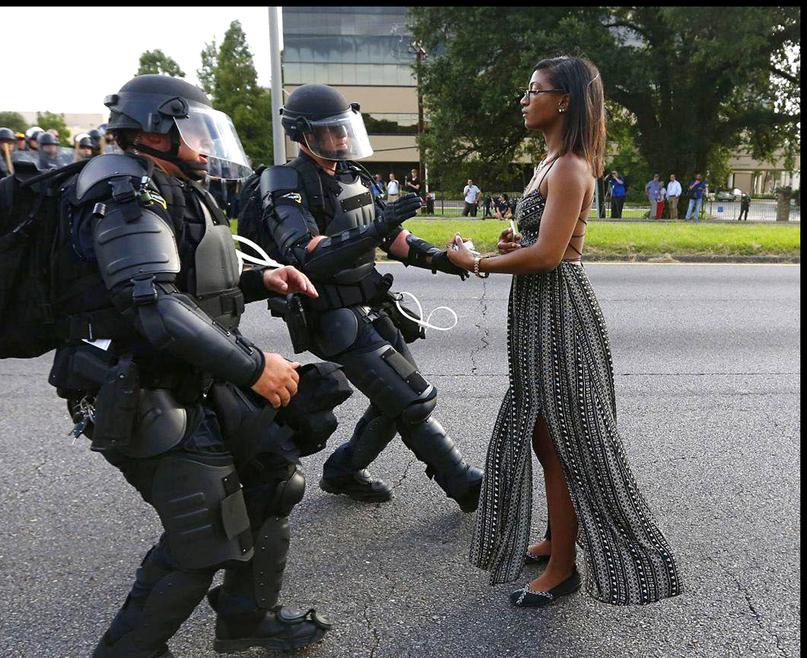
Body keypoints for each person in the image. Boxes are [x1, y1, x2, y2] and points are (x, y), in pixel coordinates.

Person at [59, 74, 336, 658]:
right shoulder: (122, 191)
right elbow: (154, 303)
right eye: (196, 131)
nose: (208, 147)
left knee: (274, 478)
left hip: (188, 375)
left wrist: (267, 277)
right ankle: (127, 656)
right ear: (158, 128)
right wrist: (252, 366)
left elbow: (191, 273)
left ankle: (246, 615)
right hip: (136, 387)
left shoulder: (169, 188)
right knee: (207, 526)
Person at [443, 55, 683, 607]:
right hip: (538, 311)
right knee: (542, 433)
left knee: (565, 439)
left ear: (565, 101)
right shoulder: (548, 164)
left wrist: (476, 261)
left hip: (560, 313)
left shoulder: (572, 166)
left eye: (535, 89)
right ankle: (558, 535)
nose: (525, 98)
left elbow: (551, 256)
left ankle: (564, 566)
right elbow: (539, 242)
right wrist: (511, 246)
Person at [259, 82, 484, 508]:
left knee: (395, 399)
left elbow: (393, 236)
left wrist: (443, 260)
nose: (342, 137)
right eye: (331, 130)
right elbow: (304, 253)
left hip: (372, 305)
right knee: (413, 399)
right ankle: (464, 483)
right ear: (303, 134)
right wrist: (377, 230)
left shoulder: (352, 175)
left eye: (345, 128)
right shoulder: (284, 180)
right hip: (332, 315)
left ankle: (343, 470)